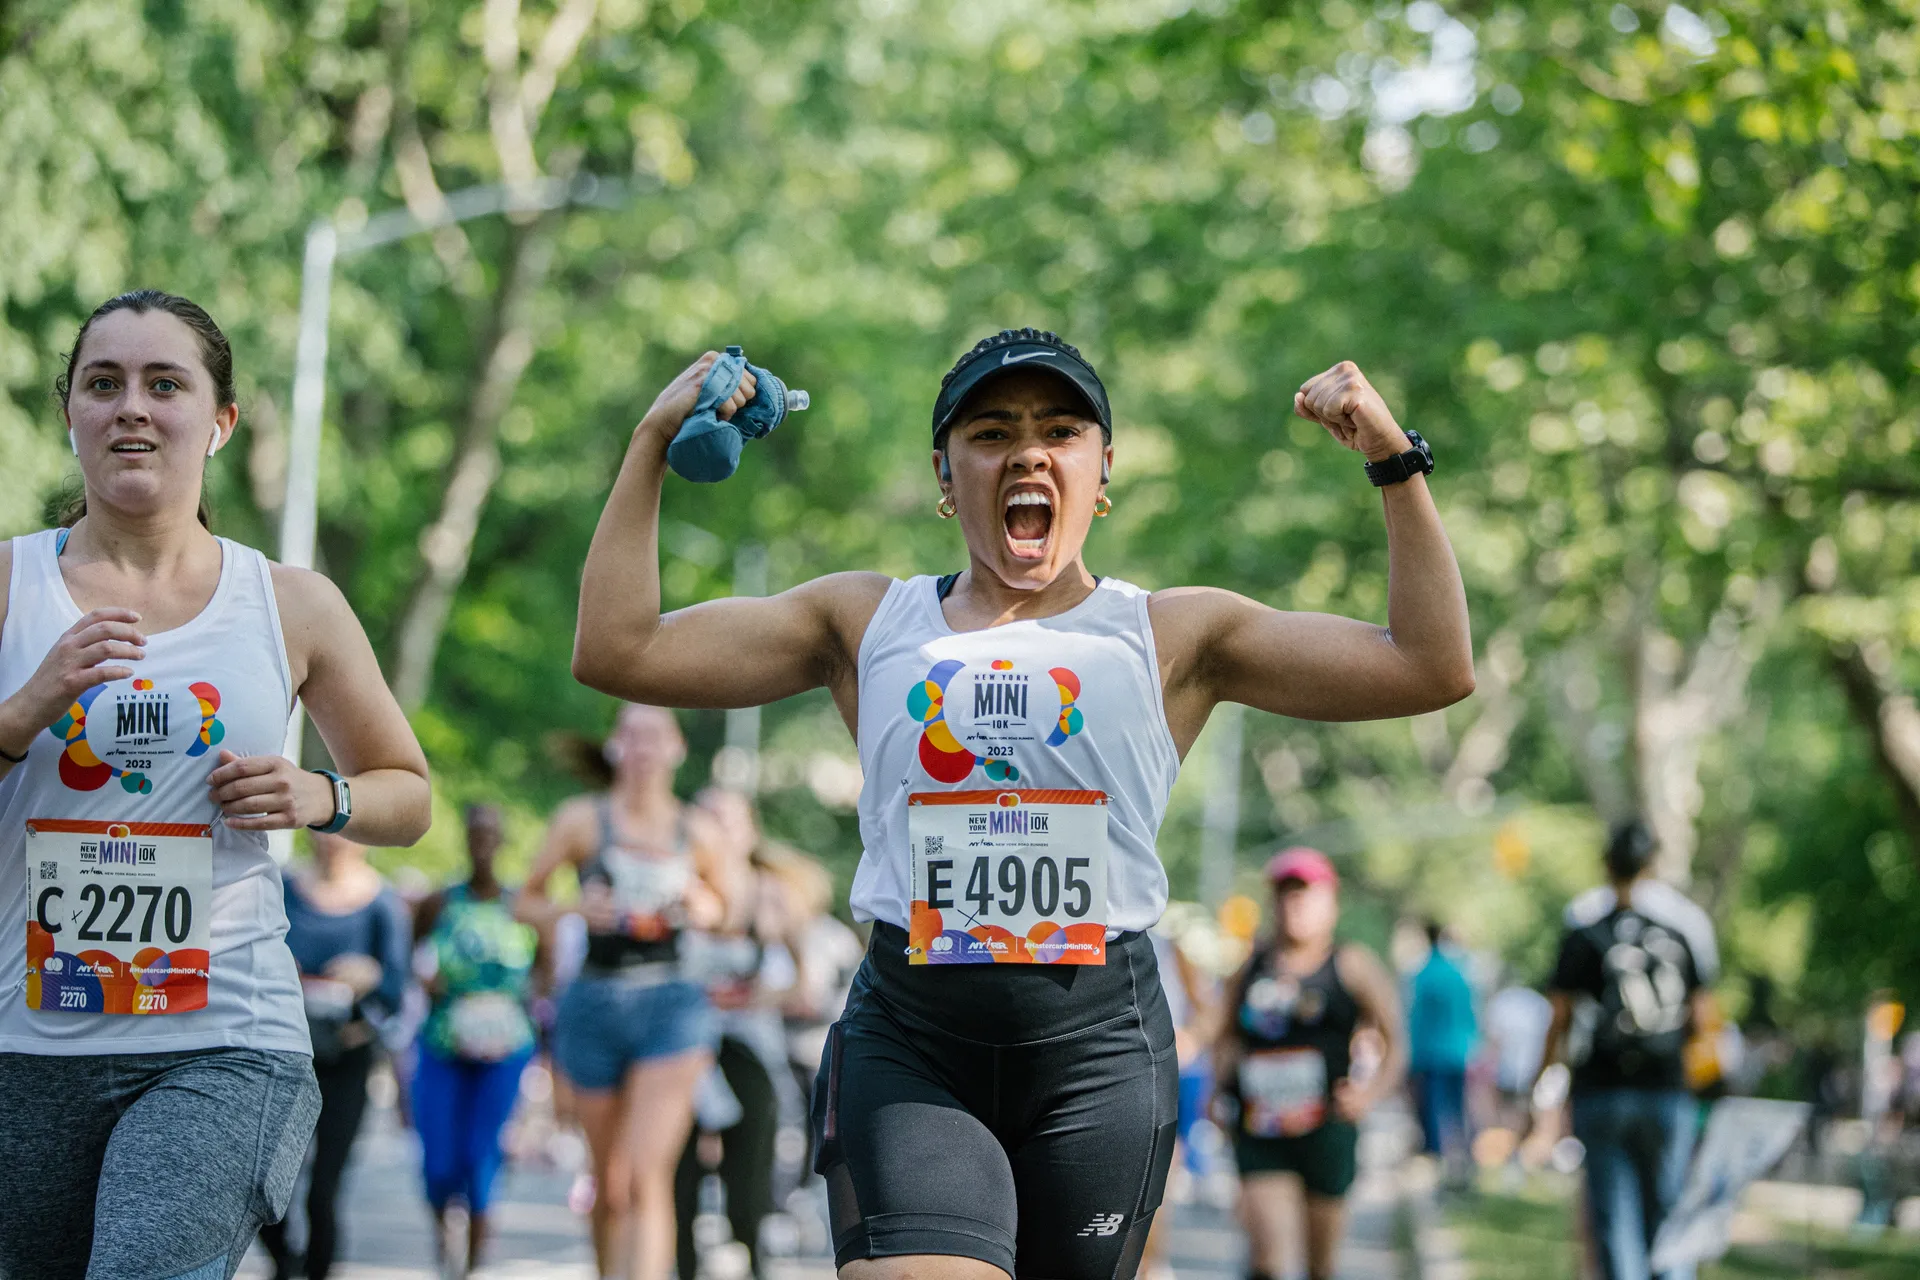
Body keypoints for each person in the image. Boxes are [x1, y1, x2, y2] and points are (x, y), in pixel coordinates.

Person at [570, 327, 1472, 1280]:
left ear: (1102, 470)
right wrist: (650, 446)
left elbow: (1429, 665)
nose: (1029, 452)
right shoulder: (866, 622)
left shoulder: (1171, 634)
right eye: (992, 433)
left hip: (1099, 1057)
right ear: (945, 477)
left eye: (1062, 430)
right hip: (912, 1046)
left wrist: (1392, 458)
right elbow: (620, 650)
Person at [0, 289, 431, 1280]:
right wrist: (28, 707)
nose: (132, 408)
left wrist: (323, 798)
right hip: (25, 1043)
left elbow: (407, 789)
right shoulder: (10, 586)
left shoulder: (289, 602)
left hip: (224, 1038)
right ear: (70, 412)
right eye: (102, 383)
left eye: (165, 383)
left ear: (220, 420)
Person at [517, 703, 734, 1280]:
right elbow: (525, 901)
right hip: (593, 1002)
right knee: (609, 1185)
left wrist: (701, 905)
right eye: (631, 735)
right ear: (615, 746)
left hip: (672, 1004)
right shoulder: (581, 819)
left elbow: (731, 911)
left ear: (677, 748)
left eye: (654, 736)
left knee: (644, 1176)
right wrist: (574, 907)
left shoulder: (698, 830)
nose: (642, 748)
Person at [1536, 820, 1720, 1280]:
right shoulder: (1681, 931)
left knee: (1614, 1224)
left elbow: (1558, 1017)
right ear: (1652, 865)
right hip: (1666, 1089)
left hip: (1602, 1089)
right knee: (1668, 1215)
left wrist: (1544, 1079)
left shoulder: (1585, 931)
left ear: (1606, 865)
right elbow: (1703, 1019)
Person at [1214, 849, 1407, 1280]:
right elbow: (1224, 1035)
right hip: (1260, 1128)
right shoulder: (1251, 965)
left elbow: (1396, 1042)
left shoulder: (1352, 964)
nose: (1293, 906)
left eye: (1305, 895)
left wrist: (1369, 1094)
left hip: (1327, 1128)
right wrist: (1215, 1093)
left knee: (1321, 1265)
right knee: (1269, 1260)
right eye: (1284, 896)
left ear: (1331, 904)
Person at [261, 831, 413, 1280]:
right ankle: (286, 1264)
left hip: (346, 1057)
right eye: (323, 832)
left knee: (324, 1189)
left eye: (343, 834)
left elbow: (396, 993)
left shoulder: (383, 903)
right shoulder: (284, 889)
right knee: (269, 1182)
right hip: (285, 1055)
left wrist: (369, 978)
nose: (332, 843)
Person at [675, 789, 810, 1280]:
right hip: (682, 1047)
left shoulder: (769, 893)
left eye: (729, 822)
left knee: (749, 1177)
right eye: (708, 820)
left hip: (748, 1048)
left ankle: (754, 1262)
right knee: (679, 1177)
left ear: (749, 830)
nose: (719, 832)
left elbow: (804, 982)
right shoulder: (676, 886)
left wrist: (754, 997)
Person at [411, 803, 542, 1276]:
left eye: (492, 833)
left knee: (481, 1156)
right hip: (444, 1043)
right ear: (465, 839)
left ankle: (471, 1266)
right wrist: (430, 983)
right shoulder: (438, 902)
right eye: (475, 833)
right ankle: (443, 1245)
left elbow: (547, 977)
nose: (483, 843)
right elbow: (414, 958)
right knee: (438, 1161)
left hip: (504, 1051)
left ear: (503, 840)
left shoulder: (522, 905)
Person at [1407, 919, 1477, 1183]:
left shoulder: (1425, 974)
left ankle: (1438, 1167)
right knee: (1457, 1111)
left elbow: (1417, 1019)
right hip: (1459, 1052)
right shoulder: (1459, 972)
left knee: (1433, 1112)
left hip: (1432, 1053)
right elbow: (1469, 1013)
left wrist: (1412, 1058)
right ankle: (1460, 1161)